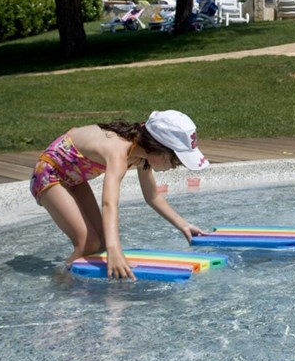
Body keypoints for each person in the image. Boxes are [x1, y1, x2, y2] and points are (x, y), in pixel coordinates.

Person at [29, 110, 210, 280]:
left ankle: (82, 286)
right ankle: (60, 284)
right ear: (158, 147)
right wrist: (114, 249)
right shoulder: (119, 152)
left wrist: (183, 225)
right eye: (175, 159)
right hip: (49, 173)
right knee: (88, 242)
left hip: (74, 176)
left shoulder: (141, 155)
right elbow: (109, 203)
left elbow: (152, 196)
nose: (174, 166)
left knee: (100, 242)